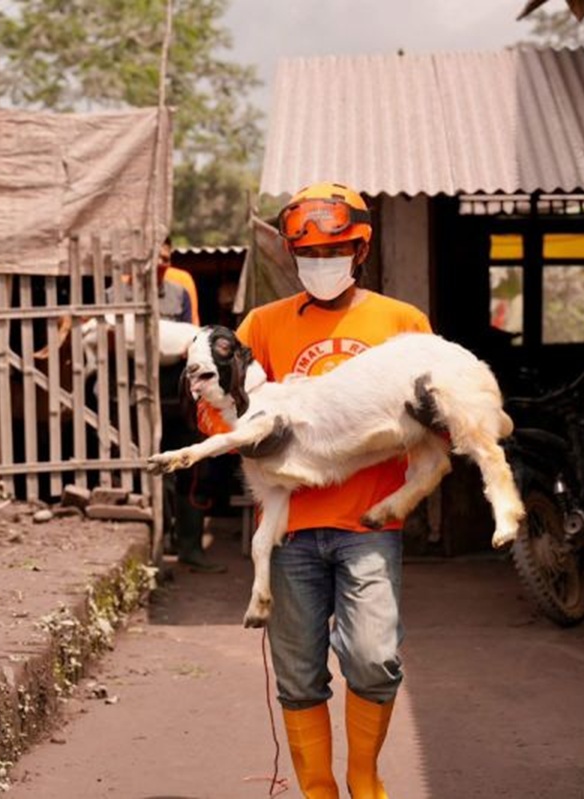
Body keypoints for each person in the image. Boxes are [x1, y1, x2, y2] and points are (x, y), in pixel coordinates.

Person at [216, 181, 431, 797]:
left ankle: (364, 778)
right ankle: (319, 791)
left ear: (360, 249)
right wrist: (238, 432)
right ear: (291, 254)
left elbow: (435, 399)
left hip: (370, 524)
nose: (321, 263)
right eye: (309, 254)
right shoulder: (262, 325)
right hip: (289, 529)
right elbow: (217, 402)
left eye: (334, 251)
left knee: (373, 657)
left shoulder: (402, 321)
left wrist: (436, 416)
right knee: (298, 674)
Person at [155, 238, 225, 573]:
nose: (161, 263)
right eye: (155, 257)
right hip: (136, 400)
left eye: (166, 258)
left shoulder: (179, 293)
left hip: (178, 397)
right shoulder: (117, 295)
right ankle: (158, 547)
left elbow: (191, 336)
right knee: (153, 474)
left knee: (191, 468)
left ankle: (190, 547)